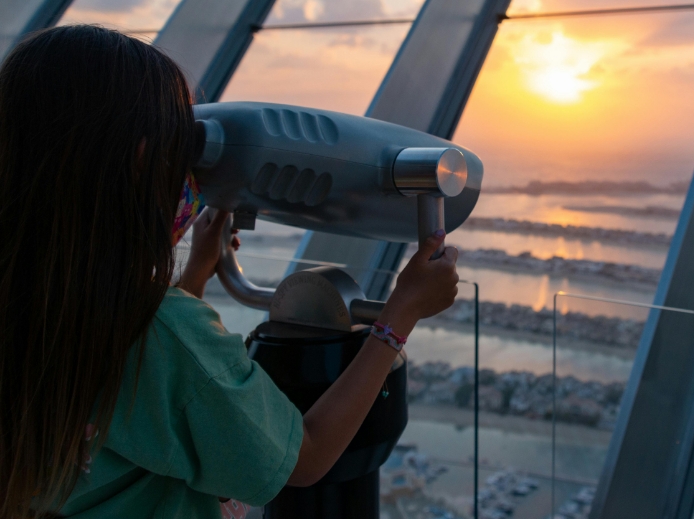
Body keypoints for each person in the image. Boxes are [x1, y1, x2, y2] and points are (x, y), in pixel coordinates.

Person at [0, 25, 459, 519]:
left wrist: (193, 277)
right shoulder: (163, 333)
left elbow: (156, 402)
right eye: (179, 146)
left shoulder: (32, 303)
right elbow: (302, 457)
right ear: (141, 163)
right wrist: (398, 318)